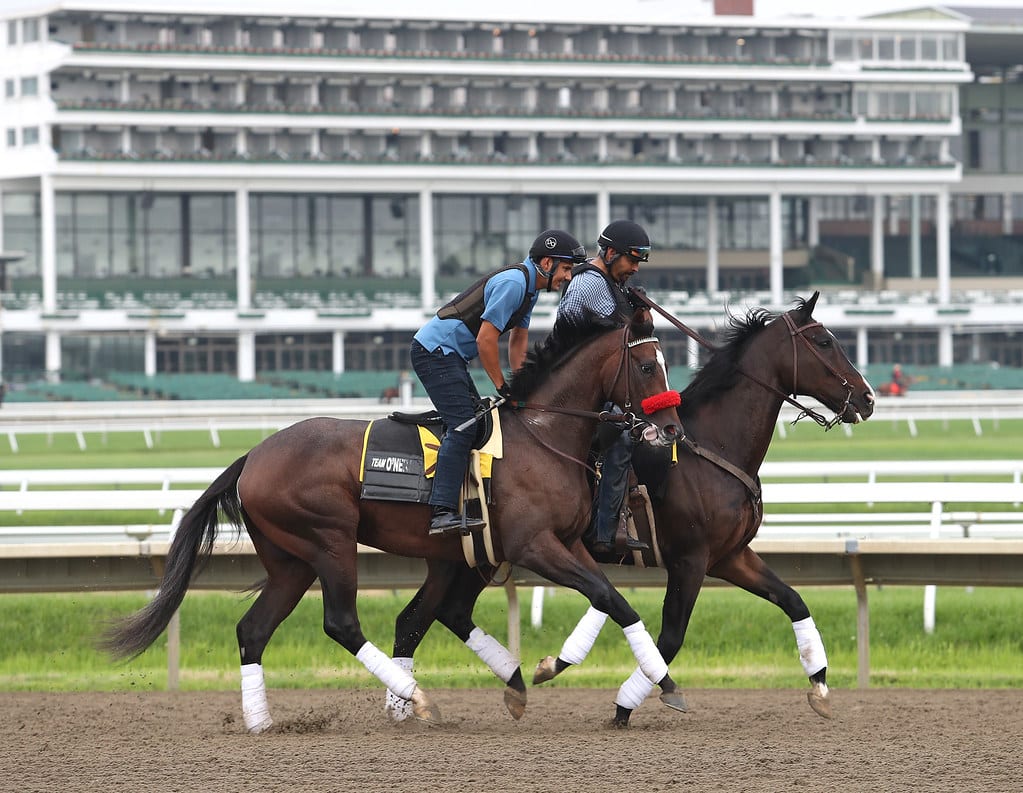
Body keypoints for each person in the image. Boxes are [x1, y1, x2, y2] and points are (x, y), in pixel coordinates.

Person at [411, 229, 584, 535]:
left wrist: (521, 386)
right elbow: (486, 340)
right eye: (566, 269)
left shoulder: (530, 289)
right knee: (464, 425)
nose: (568, 277)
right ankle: (441, 512)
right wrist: (502, 387)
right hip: (435, 352)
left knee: (478, 425)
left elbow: (518, 341)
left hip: (449, 356)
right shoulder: (514, 283)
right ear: (546, 262)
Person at [556, 219, 653, 554]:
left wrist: (641, 318)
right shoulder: (587, 285)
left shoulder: (616, 285)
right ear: (610, 253)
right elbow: (569, 344)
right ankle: (606, 532)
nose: (635, 268)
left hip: (604, 389)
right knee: (624, 434)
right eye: (631, 259)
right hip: (579, 396)